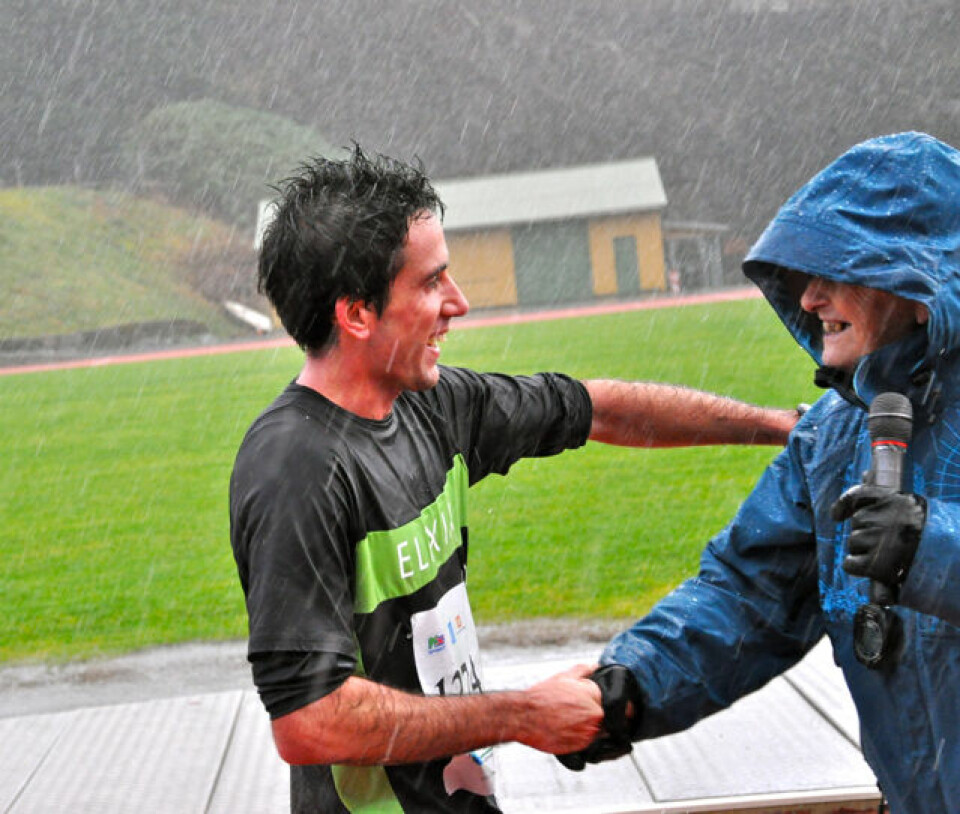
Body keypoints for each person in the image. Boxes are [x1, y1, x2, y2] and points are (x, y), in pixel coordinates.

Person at [228, 144, 798, 814]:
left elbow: (601, 407)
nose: (458, 303)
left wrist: (784, 425)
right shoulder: (296, 469)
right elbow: (310, 720)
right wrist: (522, 715)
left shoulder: (432, 405)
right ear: (356, 314)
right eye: (431, 282)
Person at [559, 131, 960, 813]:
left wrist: (933, 549)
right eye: (805, 274)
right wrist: (628, 689)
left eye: (836, 271)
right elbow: (746, 597)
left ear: (921, 289)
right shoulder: (830, 441)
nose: (808, 298)